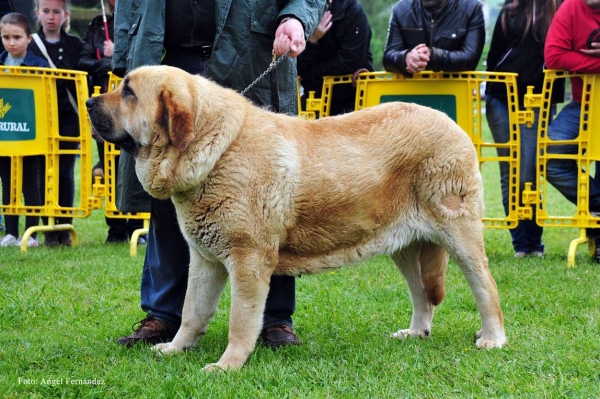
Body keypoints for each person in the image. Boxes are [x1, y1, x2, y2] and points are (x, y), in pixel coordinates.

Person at [113, 0, 324, 348]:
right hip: (166, 62)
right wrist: (125, 55)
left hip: (251, 54)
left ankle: (276, 318)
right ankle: (163, 313)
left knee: (266, 193)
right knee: (166, 182)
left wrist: (295, 19)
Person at [485, 0, 564, 258]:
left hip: (538, 99)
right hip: (501, 98)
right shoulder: (510, 9)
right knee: (509, 170)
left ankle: (534, 242)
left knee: (528, 171)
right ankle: (520, 244)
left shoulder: (560, 8)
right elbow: (495, 54)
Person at [77, 0, 144, 245]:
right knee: (109, 167)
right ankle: (115, 228)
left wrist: (119, 52)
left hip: (132, 109)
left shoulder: (141, 17)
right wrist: (109, 60)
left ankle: (138, 224)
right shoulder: (97, 24)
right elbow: (81, 61)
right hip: (106, 106)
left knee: (134, 160)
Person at [544, 0, 600, 260]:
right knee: (551, 157)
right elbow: (554, 56)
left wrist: (580, 61)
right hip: (584, 104)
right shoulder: (571, 7)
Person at [29, 0, 83, 246]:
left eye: (56, 12)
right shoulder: (29, 43)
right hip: (38, 117)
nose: (51, 17)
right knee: (40, 172)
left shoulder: (75, 45)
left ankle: (64, 226)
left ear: (65, 15)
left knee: (65, 172)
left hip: (68, 117)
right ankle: (47, 227)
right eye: (46, 11)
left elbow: (85, 71)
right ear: (38, 13)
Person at [0, 12, 49, 248]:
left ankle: (32, 233)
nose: (11, 42)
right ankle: (10, 232)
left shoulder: (39, 65)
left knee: (31, 184)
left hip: (31, 134)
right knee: (8, 183)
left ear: (29, 38)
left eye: (17, 37)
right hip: (5, 135)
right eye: (6, 37)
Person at [297, 0, 374, 116]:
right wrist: (313, 40)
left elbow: (350, 62)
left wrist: (313, 74)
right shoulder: (299, 13)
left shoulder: (353, 12)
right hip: (314, 98)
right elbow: (297, 66)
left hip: (352, 98)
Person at [383, 0, 485, 76]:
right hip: (410, 91)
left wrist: (432, 56)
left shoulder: (472, 7)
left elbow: (471, 59)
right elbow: (388, 58)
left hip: (455, 91)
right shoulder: (400, 10)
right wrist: (406, 57)